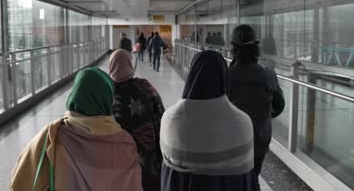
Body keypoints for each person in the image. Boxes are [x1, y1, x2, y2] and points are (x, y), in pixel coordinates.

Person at [10, 68, 142, 191]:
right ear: (108, 100)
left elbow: (20, 182)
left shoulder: (51, 138)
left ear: (74, 94)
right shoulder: (125, 143)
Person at [160, 50, 258, 191]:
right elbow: (245, 175)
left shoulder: (170, 119)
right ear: (224, 77)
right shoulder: (243, 122)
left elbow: (168, 169)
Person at [227, 24, 285, 188]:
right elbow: (279, 106)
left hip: (232, 142)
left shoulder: (226, 75)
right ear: (256, 48)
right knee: (253, 177)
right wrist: (263, 112)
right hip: (259, 140)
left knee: (235, 180)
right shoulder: (267, 74)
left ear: (233, 48)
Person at [109, 49, 165, 191]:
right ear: (130, 64)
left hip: (122, 164)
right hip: (151, 160)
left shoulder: (109, 94)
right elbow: (161, 113)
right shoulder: (145, 86)